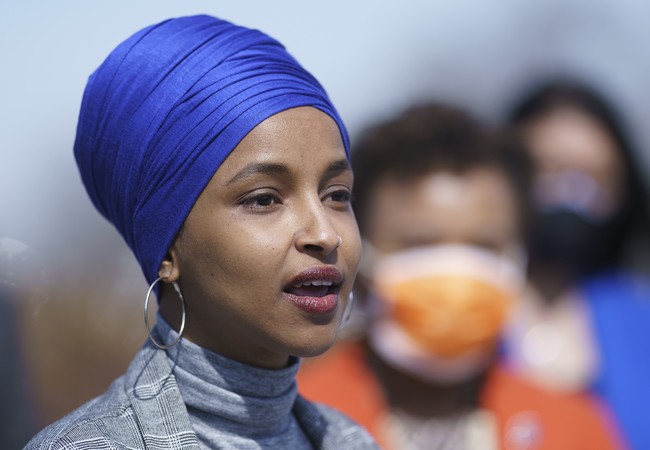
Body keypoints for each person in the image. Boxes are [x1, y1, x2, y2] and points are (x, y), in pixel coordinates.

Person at [25, 15, 378, 449]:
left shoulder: (351, 441)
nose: (325, 234)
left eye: (337, 195)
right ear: (166, 249)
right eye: (264, 199)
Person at [297, 103, 625, 449]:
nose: (455, 267)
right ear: (359, 252)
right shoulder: (294, 421)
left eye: (483, 246)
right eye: (421, 244)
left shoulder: (574, 428)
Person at [502, 79, 650, 450]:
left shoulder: (639, 320)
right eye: (549, 169)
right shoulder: (463, 303)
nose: (570, 191)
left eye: (595, 176)